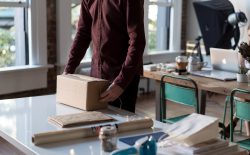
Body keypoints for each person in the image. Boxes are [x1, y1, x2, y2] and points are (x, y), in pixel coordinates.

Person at [64, 0, 146, 113]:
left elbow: (137, 42)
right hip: (96, 77)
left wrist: (120, 83)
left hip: (123, 78)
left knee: (120, 128)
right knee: (96, 125)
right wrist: (68, 70)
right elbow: (83, 33)